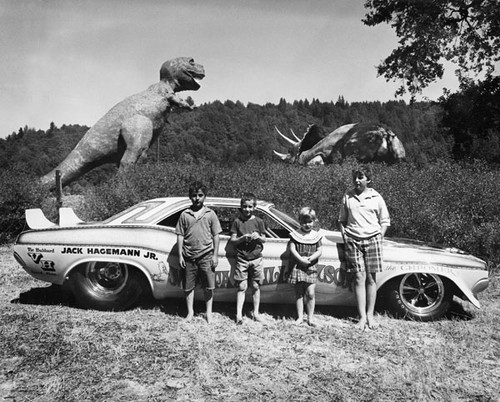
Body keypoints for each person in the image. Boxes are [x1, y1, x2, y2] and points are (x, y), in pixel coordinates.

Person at [338, 165, 390, 330]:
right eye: (355, 177)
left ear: (368, 180)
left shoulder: (376, 197)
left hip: (373, 239)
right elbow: (342, 220)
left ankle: (370, 316)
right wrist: (345, 235)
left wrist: (379, 236)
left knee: (371, 279)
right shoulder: (348, 196)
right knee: (359, 278)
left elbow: (385, 220)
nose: (357, 180)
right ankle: (361, 317)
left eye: (360, 177)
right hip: (353, 240)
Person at [176, 181, 222, 323]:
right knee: (188, 287)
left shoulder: (210, 214)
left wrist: (215, 255)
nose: (197, 198)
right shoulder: (185, 214)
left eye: (200, 195)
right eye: (194, 195)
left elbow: (216, 235)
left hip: (206, 255)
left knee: (209, 286)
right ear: (190, 197)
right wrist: (180, 255)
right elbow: (180, 235)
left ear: (205, 197)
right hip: (189, 256)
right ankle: (190, 312)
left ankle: (209, 313)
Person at [230, 193, 267, 324]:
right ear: (241, 207)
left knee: (256, 286)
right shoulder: (237, 222)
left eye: (250, 207)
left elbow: (264, 239)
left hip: (256, 258)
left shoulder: (259, 221)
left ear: (254, 207)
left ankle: (256, 313)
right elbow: (233, 239)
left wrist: (258, 237)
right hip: (242, 259)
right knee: (242, 286)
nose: (247, 209)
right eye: (244, 206)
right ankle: (239, 315)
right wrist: (242, 238)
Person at [288, 207, 323, 327]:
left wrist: (310, 258)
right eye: (304, 222)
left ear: (314, 221)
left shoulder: (316, 235)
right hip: (298, 265)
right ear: (300, 221)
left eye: (309, 222)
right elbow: (292, 249)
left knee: (310, 293)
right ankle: (299, 317)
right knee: (299, 293)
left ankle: (310, 317)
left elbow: (319, 250)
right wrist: (300, 259)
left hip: (311, 266)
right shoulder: (295, 234)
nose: (307, 225)